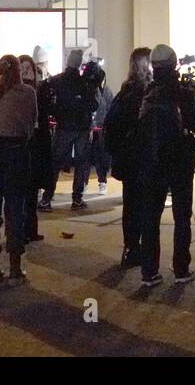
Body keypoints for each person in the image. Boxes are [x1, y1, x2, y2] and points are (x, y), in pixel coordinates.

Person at [132, 44, 195, 287]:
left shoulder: (146, 92)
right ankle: (181, 269)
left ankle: (149, 272)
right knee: (182, 216)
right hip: (180, 161)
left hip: (151, 161)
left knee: (151, 217)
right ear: (174, 64)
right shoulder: (182, 92)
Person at [0, 55, 35, 283]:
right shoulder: (27, 93)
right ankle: (15, 266)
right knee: (15, 209)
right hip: (15, 151)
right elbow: (31, 124)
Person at [103, 48, 153, 268]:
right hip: (142, 158)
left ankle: (132, 248)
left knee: (132, 206)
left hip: (131, 158)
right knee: (143, 206)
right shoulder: (140, 94)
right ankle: (137, 250)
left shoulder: (125, 92)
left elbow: (111, 126)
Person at [43, 49, 99, 212]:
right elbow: (94, 104)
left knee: (55, 163)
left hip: (63, 126)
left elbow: (49, 102)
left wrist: (57, 112)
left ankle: (47, 198)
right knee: (81, 163)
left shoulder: (57, 80)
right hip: (82, 127)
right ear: (80, 62)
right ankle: (77, 199)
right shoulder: (85, 83)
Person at [19, 54, 51, 239]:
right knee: (23, 191)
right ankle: (23, 230)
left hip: (37, 144)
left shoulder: (40, 90)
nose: (25, 72)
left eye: (28, 68)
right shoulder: (17, 91)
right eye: (22, 68)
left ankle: (30, 229)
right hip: (23, 144)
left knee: (32, 190)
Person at [84, 60, 114, 195]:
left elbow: (110, 108)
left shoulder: (107, 90)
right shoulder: (86, 88)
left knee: (101, 158)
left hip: (101, 130)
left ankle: (102, 181)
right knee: (86, 158)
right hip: (87, 129)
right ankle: (83, 183)